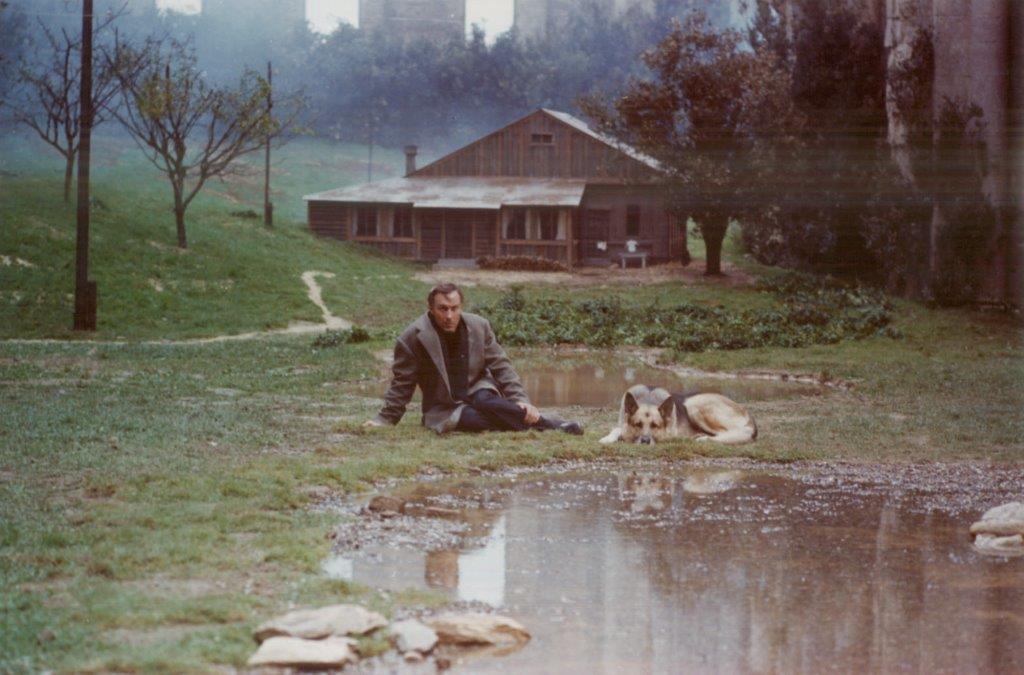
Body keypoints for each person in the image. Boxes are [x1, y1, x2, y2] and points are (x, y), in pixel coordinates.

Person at [364, 283, 583, 435]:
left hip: (479, 389)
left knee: (487, 401)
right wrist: (385, 419)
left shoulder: (479, 326)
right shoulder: (411, 338)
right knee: (474, 420)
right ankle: (552, 424)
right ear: (430, 308)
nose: (449, 316)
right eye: (442, 309)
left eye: (454, 309)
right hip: (446, 405)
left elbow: (501, 366)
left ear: (461, 307)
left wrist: (521, 400)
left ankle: (544, 422)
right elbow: (402, 384)